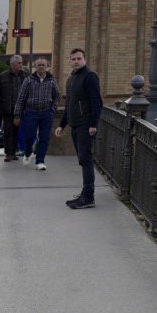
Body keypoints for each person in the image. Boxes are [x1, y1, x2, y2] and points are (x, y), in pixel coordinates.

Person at [53, 48, 102, 208]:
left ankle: (89, 197)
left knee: (86, 160)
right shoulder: (72, 78)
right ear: (70, 61)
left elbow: (97, 102)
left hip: (85, 125)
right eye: (73, 59)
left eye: (79, 58)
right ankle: (85, 193)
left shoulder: (90, 76)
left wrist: (93, 124)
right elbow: (69, 105)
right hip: (75, 125)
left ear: (84, 59)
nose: (76, 61)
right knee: (82, 160)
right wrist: (62, 124)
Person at [14, 57, 59, 170]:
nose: (41, 67)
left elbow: (56, 96)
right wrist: (17, 115)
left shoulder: (52, 80)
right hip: (31, 113)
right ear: (35, 67)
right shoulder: (29, 80)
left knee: (44, 137)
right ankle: (28, 153)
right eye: (39, 65)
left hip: (46, 113)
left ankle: (40, 161)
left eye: (43, 65)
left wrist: (52, 109)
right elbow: (21, 98)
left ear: (47, 67)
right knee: (29, 136)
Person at [0, 55, 29, 161]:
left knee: (17, 131)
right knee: (8, 132)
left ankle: (14, 152)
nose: (21, 65)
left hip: (21, 110)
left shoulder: (26, 76)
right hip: (7, 109)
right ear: (12, 64)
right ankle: (8, 153)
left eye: (21, 63)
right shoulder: (3, 76)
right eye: (19, 63)